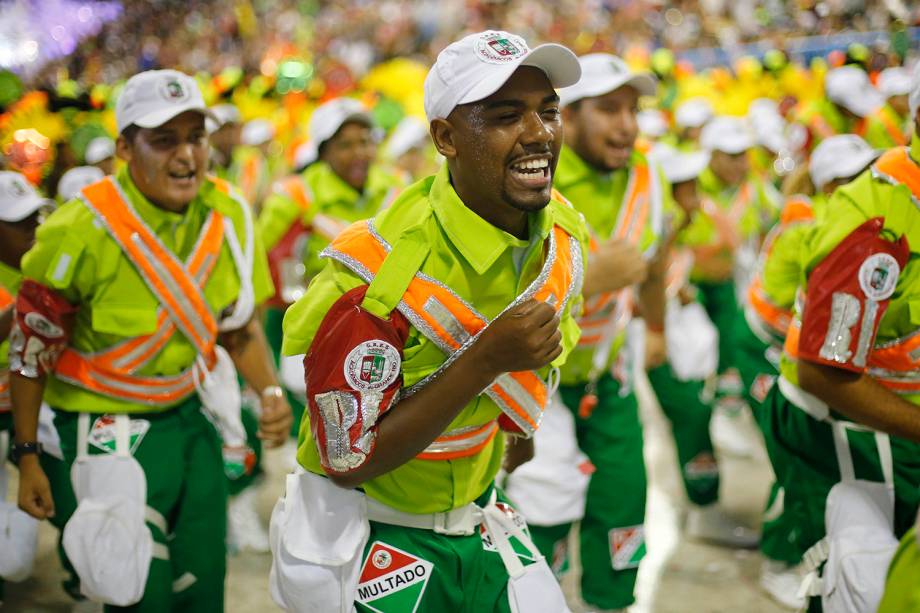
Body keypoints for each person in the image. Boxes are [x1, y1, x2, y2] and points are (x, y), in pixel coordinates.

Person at [274, 29, 586, 613]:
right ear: (445, 137)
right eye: (505, 116)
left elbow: (546, 357)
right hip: (377, 539)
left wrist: (516, 426)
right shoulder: (373, 278)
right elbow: (347, 459)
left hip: (480, 518)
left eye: (548, 111)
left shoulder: (560, 234)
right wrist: (488, 360)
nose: (540, 133)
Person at [11, 69, 291, 612]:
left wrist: (270, 392)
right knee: (137, 593)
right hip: (105, 429)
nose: (187, 157)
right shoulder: (79, 228)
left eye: (196, 138)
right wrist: (26, 455)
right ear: (124, 147)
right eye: (164, 141)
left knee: (204, 585)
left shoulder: (229, 212)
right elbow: (31, 352)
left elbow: (238, 325)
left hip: (191, 422)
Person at [505, 53, 664, 613]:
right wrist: (592, 279)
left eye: (634, 109)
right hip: (531, 382)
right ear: (564, 119)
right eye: (609, 109)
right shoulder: (526, 176)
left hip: (606, 372)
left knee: (623, 500)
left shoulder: (648, 174)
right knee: (540, 509)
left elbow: (658, 250)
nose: (626, 124)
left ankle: (609, 601)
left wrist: (658, 325)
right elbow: (490, 297)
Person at [763, 69, 920, 612]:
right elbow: (822, 370)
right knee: (858, 582)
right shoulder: (875, 227)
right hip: (839, 423)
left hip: (884, 418)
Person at [741, 134, 879, 610]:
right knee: (795, 470)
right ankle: (778, 562)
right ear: (830, 185)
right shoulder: (819, 231)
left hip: (783, 344)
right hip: (769, 345)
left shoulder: (826, 220)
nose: (870, 186)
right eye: (856, 179)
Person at [258, 97, 404, 436]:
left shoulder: (396, 188)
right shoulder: (296, 195)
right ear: (324, 151)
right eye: (345, 145)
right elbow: (257, 254)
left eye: (365, 142)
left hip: (384, 323)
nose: (359, 153)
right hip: (315, 325)